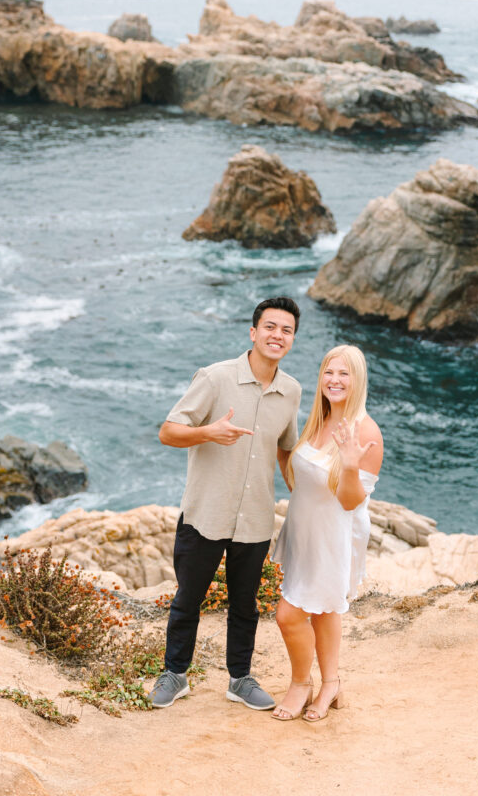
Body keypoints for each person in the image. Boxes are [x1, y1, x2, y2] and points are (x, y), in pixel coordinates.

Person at [150, 297, 301, 711]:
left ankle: (240, 680)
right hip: (205, 513)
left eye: (286, 330)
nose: (277, 335)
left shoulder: (291, 391)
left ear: (292, 340)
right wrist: (209, 432)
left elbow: (285, 449)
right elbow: (168, 431)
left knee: (245, 606)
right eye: (270, 327)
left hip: (254, 517)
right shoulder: (215, 378)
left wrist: (304, 492)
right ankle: (174, 675)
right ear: (253, 333)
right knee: (187, 600)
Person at [271, 344, 383, 721]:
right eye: (329, 372)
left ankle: (301, 683)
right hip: (305, 533)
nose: (334, 380)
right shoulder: (319, 418)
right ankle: (331, 683)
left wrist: (350, 467)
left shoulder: (365, 431)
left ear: (358, 380)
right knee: (323, 610)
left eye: (344, 374)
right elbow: (300, 477)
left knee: (288, 616)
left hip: (333, 538)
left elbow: (351, 501)